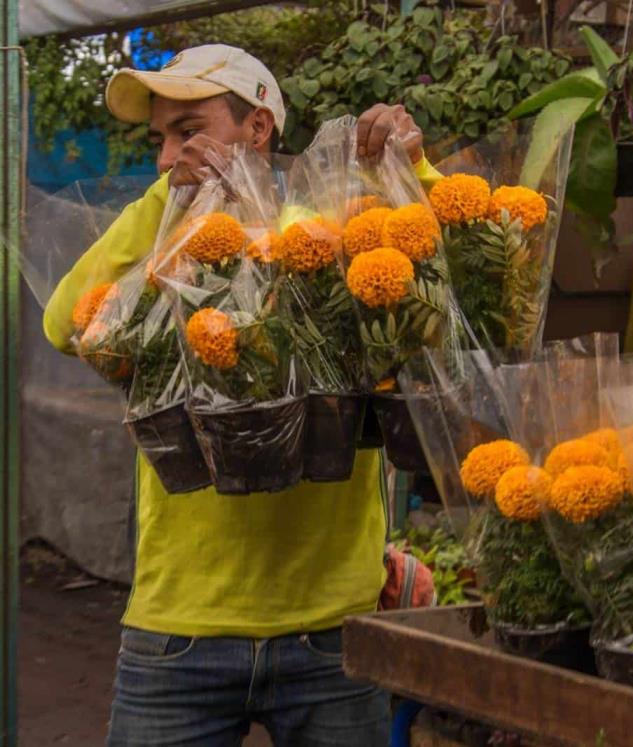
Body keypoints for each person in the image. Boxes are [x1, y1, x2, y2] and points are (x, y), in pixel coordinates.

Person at [42, 44, 435, 746]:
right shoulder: (172, 256)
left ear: (257, 128)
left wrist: (413, 168)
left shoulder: (325, 239)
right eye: (161, 137)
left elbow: (440, 295)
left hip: (332, 628)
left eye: (187, 130)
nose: (167, 155)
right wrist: (172, 200)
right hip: (178, 627)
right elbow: (63, 319)